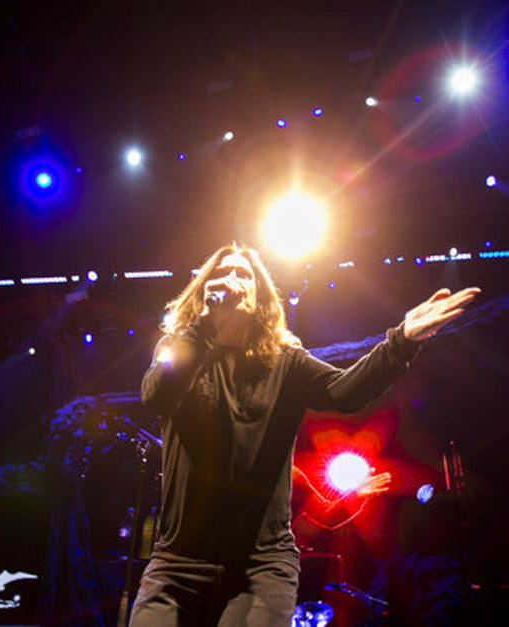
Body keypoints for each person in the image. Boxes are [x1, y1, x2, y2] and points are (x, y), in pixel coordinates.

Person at [130, 243, 479, 626]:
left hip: (259, 567)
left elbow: (344, 392)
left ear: (260, 298)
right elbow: (158, 398)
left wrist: (402, 342)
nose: (231, 279)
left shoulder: (285, 361)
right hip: (178, 563)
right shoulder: (180, 349)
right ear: (202, 293)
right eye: (221, 273)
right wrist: (202, 327)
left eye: (244, 274)